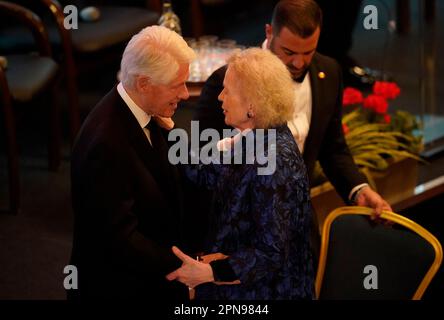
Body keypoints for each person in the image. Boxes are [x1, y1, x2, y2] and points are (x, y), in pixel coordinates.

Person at [193, 0, 391, 219]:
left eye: (309, 52)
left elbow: (333, 148)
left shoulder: (329, 72)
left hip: (300, 221)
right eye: (288, 52)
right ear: (269, 32)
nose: (298, 63)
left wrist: (359, 189)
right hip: (240, 224)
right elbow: (202, 158)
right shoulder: (226, 80)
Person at [167, 48, 315, 300]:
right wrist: (166, 130)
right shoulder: (256, 137)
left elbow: (271, 252)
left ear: (252, 105)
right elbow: (207, 173)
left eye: (228, 91)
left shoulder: (274, 162)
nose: (220, 98)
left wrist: (210, 272)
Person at [69, 26, 196, 299]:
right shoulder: (105, 146)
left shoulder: (142, 110)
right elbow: (120, 240)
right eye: (177, 85)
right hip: (119, 288)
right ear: (143, 84)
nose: (186, 95)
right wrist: (185, 267)